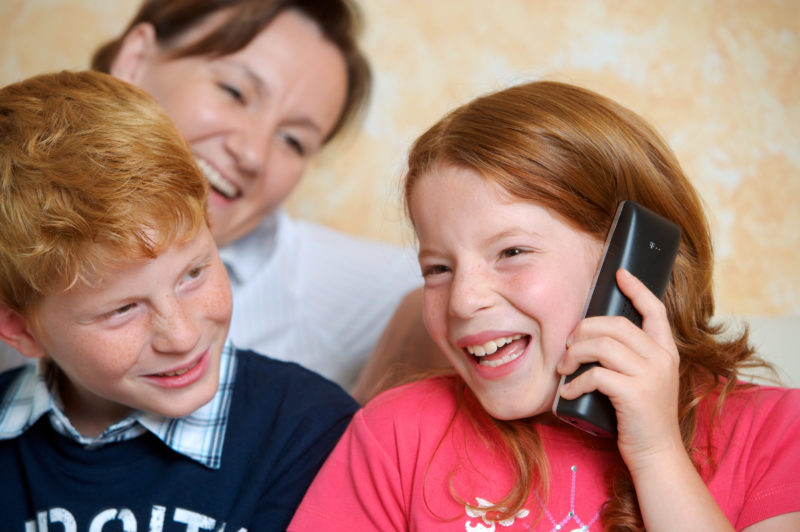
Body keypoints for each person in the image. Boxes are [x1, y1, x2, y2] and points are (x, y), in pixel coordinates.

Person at [288, 81, 800, 531]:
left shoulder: (774, 433)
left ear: (636, 259)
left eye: (512, 252)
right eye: (437, 269)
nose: (464, 301)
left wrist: (656, 453)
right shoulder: (397, 433)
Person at [0, 0, 426, 394]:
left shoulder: (343, 290)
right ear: (134, 62)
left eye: (293, 141)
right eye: (235, 92)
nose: (253, 154)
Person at [0, 70, 358, 530]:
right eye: (123, 309)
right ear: (21, 329)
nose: (183, 335)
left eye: (193, 273)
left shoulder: (310, 429)